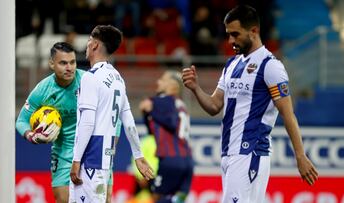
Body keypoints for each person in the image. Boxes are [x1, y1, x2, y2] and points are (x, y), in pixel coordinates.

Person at [182, 5, 319, 203]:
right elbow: (214, 106)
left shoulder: (270, 66)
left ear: (253, 31)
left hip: (250, 152)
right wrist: (195, 88)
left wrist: (300, 155)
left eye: (235, 34)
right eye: (228, 35)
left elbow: (288, 114)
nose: (230, 41)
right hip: (229, 153)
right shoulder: (231, 65)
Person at [69, 25, 154, 203]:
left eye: (90, 39)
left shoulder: (90, 77)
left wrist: (76, 160)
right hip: (105, 156)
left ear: (95, 45)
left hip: (90, 155)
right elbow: (129, 121)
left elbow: (87, 122)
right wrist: (138, 155)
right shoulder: (117, 78)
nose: (87, 44)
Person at [16, 42, 85, 203]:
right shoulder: (43, 90)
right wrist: (31, 135)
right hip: (63, 153)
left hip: (90, 150)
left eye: (72, 62)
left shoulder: (87, 81)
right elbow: (21, 121)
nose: (69, 67)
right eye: (63, 63)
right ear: (51, 64)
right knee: (62, 199)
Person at [139, 70, 193, 203]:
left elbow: (171, 122)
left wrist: (149, 108)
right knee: (179, 198)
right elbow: (153, 131)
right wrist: (148, 114)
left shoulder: (162, 101)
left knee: (158, 197)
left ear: (172, 85)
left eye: (162, 80)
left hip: (170, 159)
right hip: (188, 161)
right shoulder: (182, 105)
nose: (158, 82)